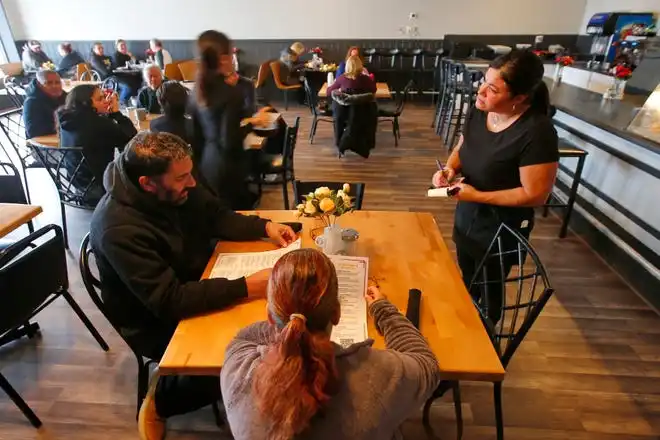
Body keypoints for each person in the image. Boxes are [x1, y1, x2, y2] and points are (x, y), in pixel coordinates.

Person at [89, 131, 296, 440]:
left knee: (271, 333)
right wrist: (246, 288)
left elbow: (215, 215)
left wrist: (265, 226)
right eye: (183, 178)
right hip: (154, 320)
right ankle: (161, 401)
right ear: (148, 183)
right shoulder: (118, 228)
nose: (193, 183)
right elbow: (169, 301)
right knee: (249, 356)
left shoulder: (172, 183)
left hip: (199, 279)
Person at [221, 248, 441, 440]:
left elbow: (247, 337)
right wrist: (382, 309)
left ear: (270, 317)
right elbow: (425, 363)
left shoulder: (238, 368)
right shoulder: (380, 376)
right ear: (337, 313)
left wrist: (287, 318)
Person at [431, 50, 559, 324]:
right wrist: (450, 169)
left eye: (492, 89)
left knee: (489, 291)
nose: (481, 93)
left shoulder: (537, 132)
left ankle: (486, 341)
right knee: (468, 277)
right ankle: (468, 327)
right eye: (483, 83)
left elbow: (535, 194)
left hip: (501, 228)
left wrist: (478, 196)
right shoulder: (482, 112)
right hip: (468, 218)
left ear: (520, 97)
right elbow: (464, 145)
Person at [190, 30, 270, 210]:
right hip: (228, 168)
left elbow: (195, 137)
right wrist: (251, 123)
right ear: (224, 57)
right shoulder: (230, 93)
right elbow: (229, 141)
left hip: (206, 164)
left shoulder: (197, 90)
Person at [58, 84, 137, 203]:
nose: (105, 101)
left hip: (76, 184)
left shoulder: (66, 120)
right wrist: (116, 113)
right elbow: (131, 139)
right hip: (100, 185)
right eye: (100, 99)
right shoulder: (99, 123)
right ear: (86, 103)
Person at [23, 70, 66, 139]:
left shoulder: (63, 95)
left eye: (57, 82)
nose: (54, 86)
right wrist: (63, 125)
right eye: (49, 83)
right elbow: (34, 132)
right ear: (40, 84)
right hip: (45, 145)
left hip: (63, 138)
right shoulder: (32, 102)